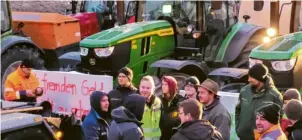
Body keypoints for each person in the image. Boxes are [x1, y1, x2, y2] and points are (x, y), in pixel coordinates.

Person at [235, 63, 283, 140]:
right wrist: (238, 128)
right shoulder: (244, 91)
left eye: (251, 77)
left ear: (260, 78)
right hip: (243, 137)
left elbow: (278, 122)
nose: (248, 80)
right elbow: (238, 110)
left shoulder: (275, 95)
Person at [159, 76, 186, 140]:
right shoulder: (159, 100)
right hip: (161, 135)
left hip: (175, 135)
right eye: (162, 84)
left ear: (172, 85)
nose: (163, 86)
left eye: (166, 84)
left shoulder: (181, 100)